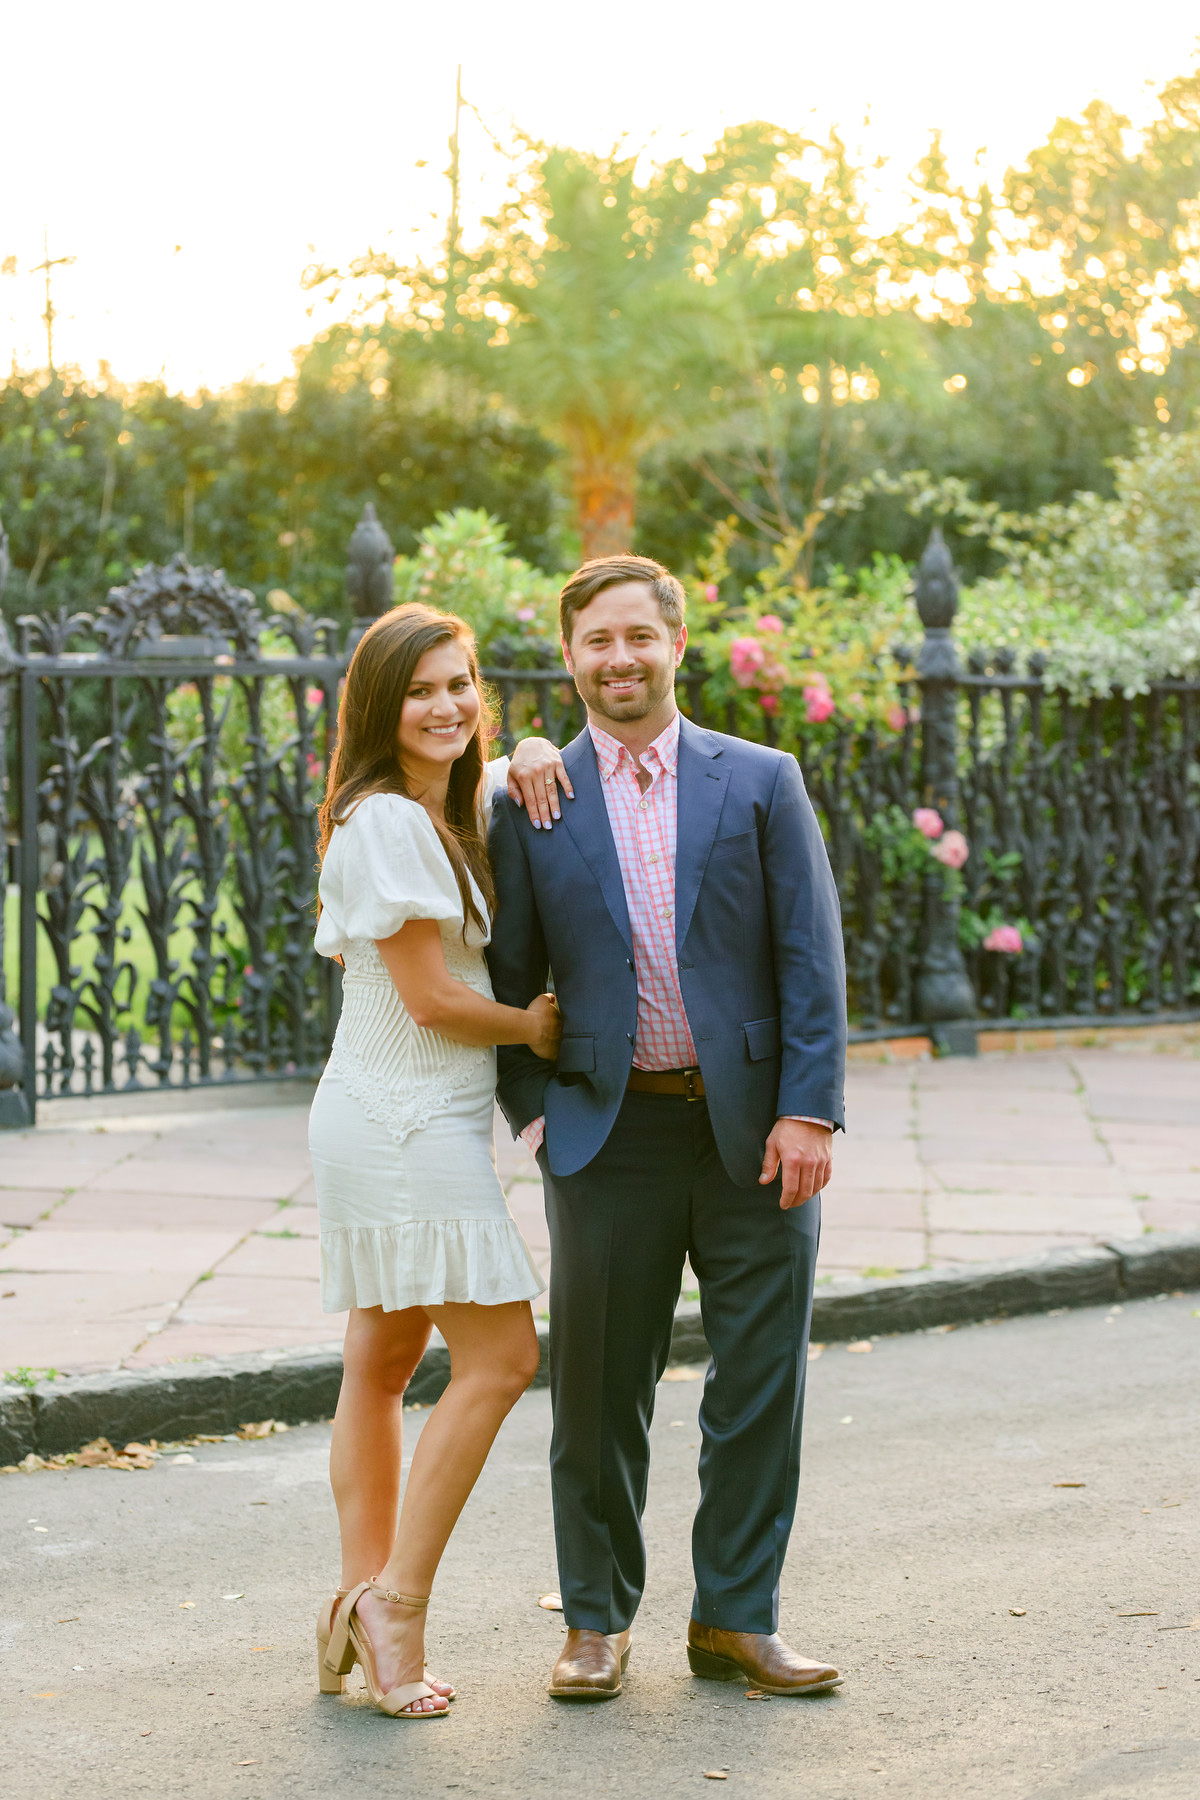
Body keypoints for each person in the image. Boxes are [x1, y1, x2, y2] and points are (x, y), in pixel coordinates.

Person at [487, 554, 848, 1702]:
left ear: (676, 642)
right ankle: (595, 1623)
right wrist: (538, 1122)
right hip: (605, 1139)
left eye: (638, 636)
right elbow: (508, 977)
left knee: (760, 1388)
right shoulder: (535, 800)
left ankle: (738, 1618)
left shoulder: (759, 780)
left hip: (754, 1137)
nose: (619, 660)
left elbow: (809, 956)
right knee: (597, 1398)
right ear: (571, 657)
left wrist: (807, 1110)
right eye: (596, 642)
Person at [308, 602, 567, 1719]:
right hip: (400, 1115)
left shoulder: (435, 806)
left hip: (408, 1111)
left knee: (379, 1358)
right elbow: (429, 998)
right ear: (380, 705)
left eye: (462, 683)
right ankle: (398, 1604)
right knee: (503, 1354)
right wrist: (537, 1029)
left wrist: (535, 749)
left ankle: (359, 1598)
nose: (449, 705)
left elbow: (508, 771)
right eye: (422, 690)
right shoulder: (382, 825)